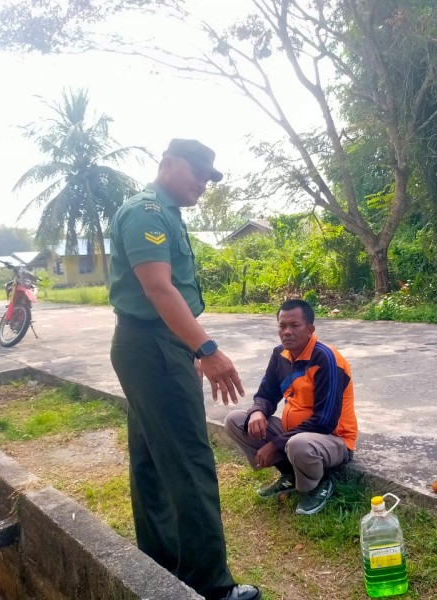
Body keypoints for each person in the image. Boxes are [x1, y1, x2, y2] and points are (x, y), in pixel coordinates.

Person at [108, 138, 260, 600]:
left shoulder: (166, 213)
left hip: (154, 344)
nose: (203, 184)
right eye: (197, 173)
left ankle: (160, 566)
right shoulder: (148, 212)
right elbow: (159, 289)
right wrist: (207, 349)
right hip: (152, 344)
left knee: (152, 458)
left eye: (208, 177)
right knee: (190, 460)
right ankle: (210, 586)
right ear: (168, 163)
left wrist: (188, 350)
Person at [224, 299, 357, 516]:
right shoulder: (280, 355)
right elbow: (266, 394)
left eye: (295, 325)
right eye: (282, 326)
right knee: (237, 420)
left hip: (334, 440)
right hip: (294, 435)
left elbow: (324, 421)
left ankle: (319, 484)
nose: (287, 332)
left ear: (310, 329)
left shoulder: (326, 359)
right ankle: (291, 476)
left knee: (298, 444)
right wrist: (257, 411)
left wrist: (275, 444)